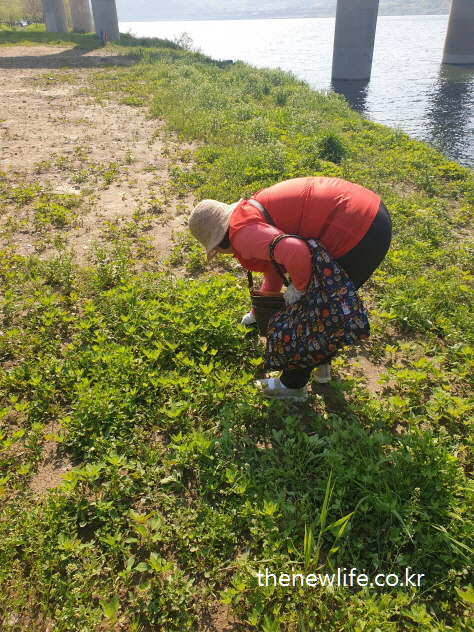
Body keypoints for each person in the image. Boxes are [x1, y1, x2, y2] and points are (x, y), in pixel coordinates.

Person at [188, 177, 392, 400]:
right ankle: (321, 366)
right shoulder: (249, 214)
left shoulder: (242, 236)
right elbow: (274, 264)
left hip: (356, 229)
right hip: (369, 214)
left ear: (219, 241)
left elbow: (295, 252)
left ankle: (292, 385)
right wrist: (257, 312)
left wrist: (299, 292)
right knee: (325, 304)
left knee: (308, 313)